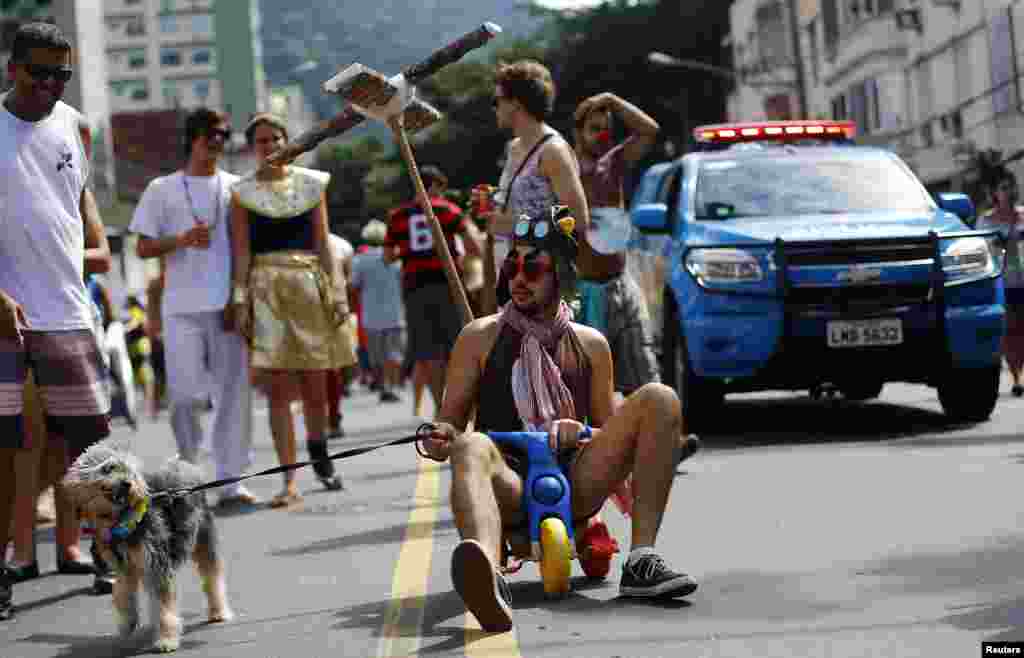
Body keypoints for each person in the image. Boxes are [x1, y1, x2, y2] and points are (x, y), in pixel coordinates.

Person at [419, 206, 697, 633]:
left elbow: (613, 439)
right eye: (512, 266)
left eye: (533, 268)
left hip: (574, 483)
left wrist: (584, 433)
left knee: (660, 398)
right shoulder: (478, 338)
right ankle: (488, 577)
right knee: (472, 444)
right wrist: (441, 436)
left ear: (561, 276)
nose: (518, 278)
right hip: (508, 483)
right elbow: (450, 426)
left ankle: (641, 561)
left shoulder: (592, 344)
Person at [0, 22, 115, 619]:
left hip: (70, 314)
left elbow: (81, 221)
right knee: (5, 450)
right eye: (38, 72)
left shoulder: (77, 127)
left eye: (60, 75)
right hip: (4, 322)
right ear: (11, 67)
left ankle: (106, 554)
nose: (49, 85)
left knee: (89, 449)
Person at [130, 107, 257, 507]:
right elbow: (143, 246)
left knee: (233, 396)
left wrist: (239, 297)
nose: (216, 140)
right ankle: (189, 473)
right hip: (180, 307)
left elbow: (243, 249)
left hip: (225, 306)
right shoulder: (162, 189)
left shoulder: (237, 187)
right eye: (209, 134)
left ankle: (231, 482)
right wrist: (181, 240)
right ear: (192, 138)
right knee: (184, 396)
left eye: (222, 134)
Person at [229, 113, 351, 508]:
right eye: (261, 140)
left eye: (276, 137)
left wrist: (338, 293)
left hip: (309, 283)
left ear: (288, 140)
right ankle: (288, 479)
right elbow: (242, 250)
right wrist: (239, 298)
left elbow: (323, 243)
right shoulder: (242, 192)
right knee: (278, 389)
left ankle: (321, 456)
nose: (269, 145)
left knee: (316, 383)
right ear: (252, 147)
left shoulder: (312, 185)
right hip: (265, 288)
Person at [573, 92, 662, 396]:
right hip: (579, 292)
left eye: (606, 129)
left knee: (644, 372)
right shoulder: (564, 170)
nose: (601, 136)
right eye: (594, 129)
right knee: (582, 386)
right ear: (578, 132)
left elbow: (649, 130)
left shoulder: (614, 163)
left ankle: (666, 439)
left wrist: (613, 100)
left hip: (621, 286)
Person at [482, 60, 589, 304]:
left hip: (544, 284)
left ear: (516, 103)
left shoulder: (553, 150)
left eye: (496, 100)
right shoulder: (514, 148)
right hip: (513, 281)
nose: (494, 108)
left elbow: (577, 220)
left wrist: (515, 225)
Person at [385, 165, 483, 416]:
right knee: (457, 344)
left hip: (415, 287)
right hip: (447, 284)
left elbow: (387, 256)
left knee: (429, 351)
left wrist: (407, 252)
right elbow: (474, 246)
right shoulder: (447, 210)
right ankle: (464, 404)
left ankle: (442, 407)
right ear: (435, 186)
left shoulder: (397, 216)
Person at [977, 167, 1024, 396]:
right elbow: (980, 253)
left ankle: (1019, 373)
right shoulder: (986, 221)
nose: (1009, 191)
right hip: (1002, 283)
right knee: (1010, 330)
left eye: (1011, 186)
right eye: (1004, 188)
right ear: (995, 193)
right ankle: (1017, 378)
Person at [351, 220, 406, 403]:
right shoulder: (396, 258)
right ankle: (391, 386)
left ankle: (383, 385)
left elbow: (353, 286)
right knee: (394, 353)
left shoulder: (360, 260)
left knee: (377, 356)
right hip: (395, 313)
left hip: (371, 316)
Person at [326, 231, 357, 438]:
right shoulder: (342, 245)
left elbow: (348, 281)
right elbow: (349, 282)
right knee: (331, 368)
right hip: (330, 310)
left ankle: (333, 417)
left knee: (332, 368)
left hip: (332, 310)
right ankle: (331, 417)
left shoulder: (342, 245)